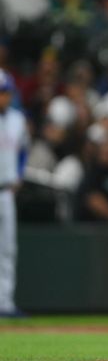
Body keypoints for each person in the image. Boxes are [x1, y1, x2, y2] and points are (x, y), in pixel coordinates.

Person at [0, 70, 29, 317]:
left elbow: (23, 151)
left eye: (6, 92)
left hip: (7, 191)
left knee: (7, 249)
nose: (3, 96)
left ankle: (5, 304)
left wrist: (19, 174)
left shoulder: (18, 119)